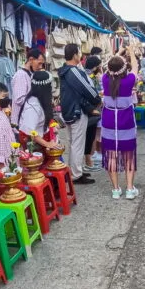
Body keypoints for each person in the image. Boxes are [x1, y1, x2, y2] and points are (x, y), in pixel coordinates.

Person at [101, 47, 140, 200]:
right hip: (126, 122)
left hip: (109, 122)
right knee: (128, 155)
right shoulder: (129, 80)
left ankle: (116, 190)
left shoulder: (104, 79)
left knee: (111, 155)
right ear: (124, 68)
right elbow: (135, 66)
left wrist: (118, 54)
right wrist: (130, 51)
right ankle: (130, 189)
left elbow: (108, 66)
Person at [59, 43, 101, 184]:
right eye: (79, 53)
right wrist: (97, 99)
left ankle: (75, 171)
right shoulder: (73, 71)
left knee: (73, 143)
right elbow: (86, 89)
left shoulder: (64, 71)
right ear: (75, 55)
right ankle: (76, 174)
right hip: (76, 111)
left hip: (69, 110)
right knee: (77, 144)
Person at [18, 70, 61, 153]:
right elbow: (30, 131)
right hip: (34, 146)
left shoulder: (39, 100)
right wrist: (47, 144)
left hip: (40, 141)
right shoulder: (32, 106)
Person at [11, 49, 46, 125]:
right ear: (31, 60)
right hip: (21, 122)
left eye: (42, 64)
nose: (40, 67)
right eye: (39, 63)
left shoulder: (30, 75)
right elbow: (19, 99)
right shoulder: (21, 75)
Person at [82, 55, 103, 172]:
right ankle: (89, 160)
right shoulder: (89, 76)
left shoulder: (85, 74)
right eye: (99, 65)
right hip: (91, 108)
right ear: (95, 66)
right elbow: (93, 92)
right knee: (90, 134)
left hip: (90, 107)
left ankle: (90, 158)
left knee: (91, 133)